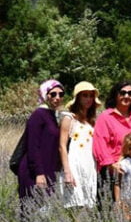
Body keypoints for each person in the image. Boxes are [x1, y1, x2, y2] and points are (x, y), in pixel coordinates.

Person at [93, 81, 131, 204]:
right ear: (116, 95)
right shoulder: (106, 117)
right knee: (113, 210)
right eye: (123, 93)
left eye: (130, 93)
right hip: (114, 173)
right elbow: (100, 144)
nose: (127, 96)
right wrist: (110, 164)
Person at [17, 80, 65, 211]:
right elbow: (33, 146)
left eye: (61, 94)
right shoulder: (38, 115)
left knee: (44, 214)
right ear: (45, 95)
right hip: (34, 173)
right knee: (31, 213)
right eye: (53, 94)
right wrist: (39, 173)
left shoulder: (52, 115)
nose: (57, 98)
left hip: (48, 171)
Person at [58, 81, 99, 209]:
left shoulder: (92, 121)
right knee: (75, 205)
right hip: (74, 165)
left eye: (91, 96)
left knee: (88, 206)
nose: (88, 99)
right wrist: (67, 171)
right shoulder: (69, 118)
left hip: (89, 165)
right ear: (78, 98)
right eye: (84, 95)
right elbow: (62, 146)